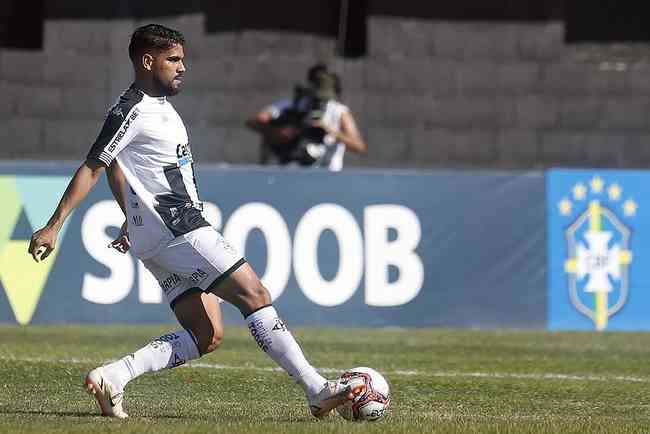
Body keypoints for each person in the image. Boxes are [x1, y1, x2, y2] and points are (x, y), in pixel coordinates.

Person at [27, 24, 364, 419]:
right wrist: (54, 225)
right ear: (147, 61)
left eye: (183, 59)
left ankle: (115, 376)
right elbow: (94, 167)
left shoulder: (155, 107)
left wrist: (130, 217)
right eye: (173, 60)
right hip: (178, 228)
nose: (182, 67)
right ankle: (316, 389)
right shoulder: (131, 108)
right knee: (254, 295)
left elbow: (119, 168)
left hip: (155, 236)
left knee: (206, 335)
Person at [245, 63, 367, 171]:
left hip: (328, 175)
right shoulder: (295, 105)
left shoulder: (339, 112)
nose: (318, 101)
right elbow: (254, 122)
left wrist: (332, 132)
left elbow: (359, 146)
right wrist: (281, 132)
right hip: (295, 170)